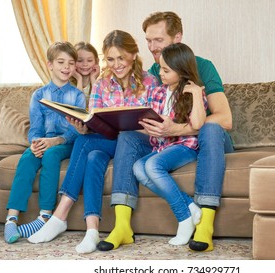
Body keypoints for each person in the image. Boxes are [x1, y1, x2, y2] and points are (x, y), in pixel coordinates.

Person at [98, 11, 233, 252]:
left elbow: (225, 119)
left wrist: (176, 129)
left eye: (158, 40)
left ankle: (205, 223)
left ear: (177, 38)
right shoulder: (155, 71)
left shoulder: (202, 67)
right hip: (168, 141)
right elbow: (155, 112)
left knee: (211, 128)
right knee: (128, 137)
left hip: (205, 139)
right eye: (148, 41)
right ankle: (122, 225)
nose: (151, 47)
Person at [27, 30, 158, 254]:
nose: (116, 65)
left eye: (121, 58)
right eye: (110, 58)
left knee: (87, 145)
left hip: (141, 143)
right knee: (92, 153)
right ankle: (92, 230)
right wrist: (84, 126)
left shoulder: (150, 81)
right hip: (110, 141)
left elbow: (157, 124)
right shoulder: (102, 83)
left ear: (133, 55)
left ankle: (60, 216)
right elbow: (96, 119)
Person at [4, 42, 86, 244]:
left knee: (51, 155)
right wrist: (35, 142)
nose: (66, 67)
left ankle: (45, 216)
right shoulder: (38, 95)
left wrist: (56, 141)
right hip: (44, 141)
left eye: (71, 63)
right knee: (27, 158)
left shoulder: (77, 95)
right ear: (50, 65)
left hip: (65, 143)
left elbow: (76, 130)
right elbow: (35, 127)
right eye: (61, 62)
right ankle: (11, 219)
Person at [133, 43, 207, 246]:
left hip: (186, 146)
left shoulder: (193, 91)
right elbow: (146, 122)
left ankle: (183, 219)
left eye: (166, 70)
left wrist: (196, 94)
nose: (161, 74)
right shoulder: (157, 92)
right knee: (138, 168)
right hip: (161, 147)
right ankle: (190, 205)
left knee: (152, 166)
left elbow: (199, 125)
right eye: (161, 69)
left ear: (182, 70)